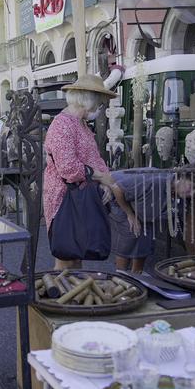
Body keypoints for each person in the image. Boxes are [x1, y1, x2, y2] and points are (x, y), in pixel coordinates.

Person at [43, 72, 119, 270]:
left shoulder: (81, 124)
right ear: (88, 101)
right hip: (64, 198)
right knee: (67, 254)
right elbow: (68, 168)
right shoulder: (61, 125)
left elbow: (95, 157)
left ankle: (74, 294)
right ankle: (60, 297)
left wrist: (106, 181)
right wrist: (102, 176)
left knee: (78, 252)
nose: (100, 108)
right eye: (100, 103)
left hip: (82, 197)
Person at [108, 169, 194, 273]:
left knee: (145, 238)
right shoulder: (156, 181)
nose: (192, 193)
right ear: (182, 179)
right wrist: (130, 214)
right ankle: (120, 275)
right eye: (191, 187)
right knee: (130, 234)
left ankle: (137, 274)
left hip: (142, 205)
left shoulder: (176, 189)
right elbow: (117, 189)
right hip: (119, 199)